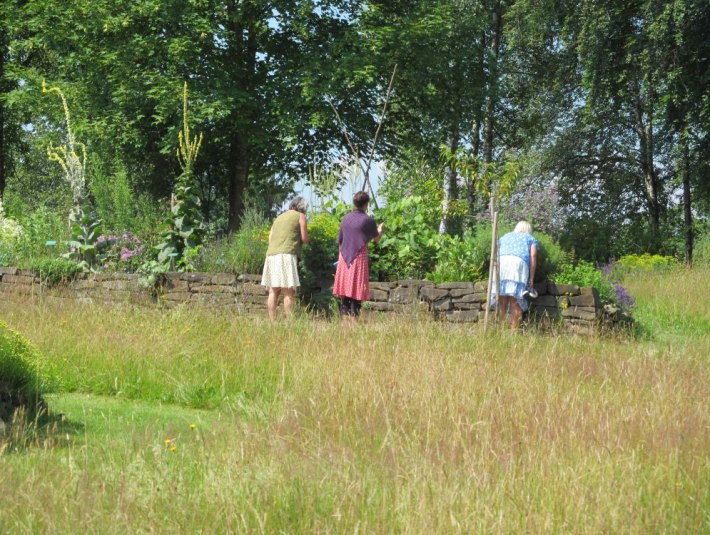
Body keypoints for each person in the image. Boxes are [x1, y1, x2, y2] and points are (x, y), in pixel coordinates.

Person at [332, 191, 384, 319]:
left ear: (354, 203)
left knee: (345, 290)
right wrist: (380, 230)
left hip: (343, 257)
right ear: (366, 204)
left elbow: (340, 241)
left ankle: (345, 321)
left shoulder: (346, 218)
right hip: (359, 257)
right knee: (356, 290)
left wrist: (341, 257)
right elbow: (376, 239)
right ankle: (354, 320)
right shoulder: (368, 220)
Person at [261, 196, 310, 320]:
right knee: (289, 291)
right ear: (302, 208)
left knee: (273, 291)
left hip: (271, 255)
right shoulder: (300, 216)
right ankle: (290, 322)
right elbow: (304, 238)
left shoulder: (278, 218)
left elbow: (270, 239)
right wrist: (310, 240)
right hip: (287, 254)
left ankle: (273, 322)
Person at [496, 220, 538, 329]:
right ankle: (513, 333)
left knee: (502, 301)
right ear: (528, 230)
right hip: (518, 265)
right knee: (516, 301)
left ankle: (501, 330)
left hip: (502, 263)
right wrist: (531, 279)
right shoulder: (530, 238)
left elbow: (496, 250)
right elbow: (533, 256)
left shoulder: (505, 236)